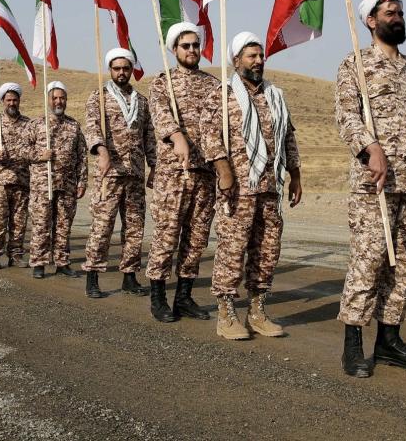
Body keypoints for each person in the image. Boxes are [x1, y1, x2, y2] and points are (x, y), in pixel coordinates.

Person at [335, 0, 406, 378]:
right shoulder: (355, 65)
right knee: (369, 260)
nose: (397, 17)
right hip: (373, 183)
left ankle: (389, 338)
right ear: (370, 21)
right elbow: (346, 116)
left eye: (400, 11)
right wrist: (370, 147)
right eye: (389, 12)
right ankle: (352, 343)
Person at [211, 32, 302, 340]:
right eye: (252, 56)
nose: (258, 61)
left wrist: (296, 174)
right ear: (237, 61)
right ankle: (226, 315)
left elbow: (288, 135)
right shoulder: (222, 95)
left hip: (270, 187)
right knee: (232, 249)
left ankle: (257, 311)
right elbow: (209, 136)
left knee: (267, 251)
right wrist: (223, 170)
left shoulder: (275, 95)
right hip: (238, 188)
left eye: (260, 55)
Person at [145, 22, 233, 323]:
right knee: (167, 235)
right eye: (186, 46)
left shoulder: (213, 85)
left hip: (205, 172)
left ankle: (184, 296)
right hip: (174, 171)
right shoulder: (161, 82)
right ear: (174, 50)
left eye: (196, 45)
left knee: (196, 239)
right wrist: (177, 136)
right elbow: (160, 114)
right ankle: (158, 296)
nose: (193, 50)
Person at [82, 48, 155, 297]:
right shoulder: (99, 97)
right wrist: (101, 152)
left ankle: (130, 276)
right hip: (109, 174)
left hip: (134, 173)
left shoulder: (142, 101)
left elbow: (150, 137)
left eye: (126, 68)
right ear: (110, 70)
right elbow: (91, 127)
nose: (121, 72)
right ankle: (92, 276)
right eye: (117, 68)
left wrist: (153, 166)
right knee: (102, 227)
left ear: (131, 69)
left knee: (135, 228)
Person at [0, 83, 45, 268]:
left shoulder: (29, 123)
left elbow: (35, 147)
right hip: (0, 180)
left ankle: (15, 254)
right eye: (8, 100)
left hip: (22, 180)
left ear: (19, 101)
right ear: (2, 101)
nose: (12, 103)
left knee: (19, 221)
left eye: (15, 100)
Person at [27, 81, 87, 279]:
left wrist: (82, 181)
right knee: (42, 224)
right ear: (48, 100)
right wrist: (39, 155)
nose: (58, 101)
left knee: (63, 225)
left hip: (67, 184)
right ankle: (39, 262)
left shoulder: (74, 126)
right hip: (42, 185)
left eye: (62, 98)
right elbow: (21, 151)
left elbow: (82, 156)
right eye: (55, 98)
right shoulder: (36, 125)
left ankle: (62, 261)